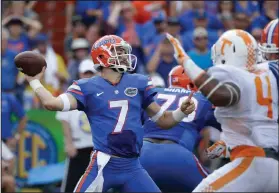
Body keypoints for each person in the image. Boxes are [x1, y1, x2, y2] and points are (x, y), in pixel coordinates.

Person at [23, 35, 195, 192]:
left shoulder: (138, 82)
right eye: (119, 52)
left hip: (133, 166)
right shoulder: (86, 87)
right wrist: (35, 81)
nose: (125, 56)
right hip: (104, 164)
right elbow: (52, 104)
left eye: (124, 52)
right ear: (102, 57)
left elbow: (164, 120)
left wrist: (180, 112)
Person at [166, 28, 278, 192]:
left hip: (253, 161)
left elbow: (220, 96)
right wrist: (212, 152)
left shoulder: (235, 80)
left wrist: (186, 61)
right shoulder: (266, 77)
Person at [140, 65, 212, 192]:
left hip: (142, 153)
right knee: (220, 186)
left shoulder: (155, 92)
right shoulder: (202, 98)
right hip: (178, 156)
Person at [56, 59, 97, 192]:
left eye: (91, 73)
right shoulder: (71, 94)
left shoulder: (101, 94)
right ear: (80, 74)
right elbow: (64, 119)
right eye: (86, 74)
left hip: (97, 148)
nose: (88, 77)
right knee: (71, 184)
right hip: (78, 147)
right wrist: (68, 143)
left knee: (98, 185)